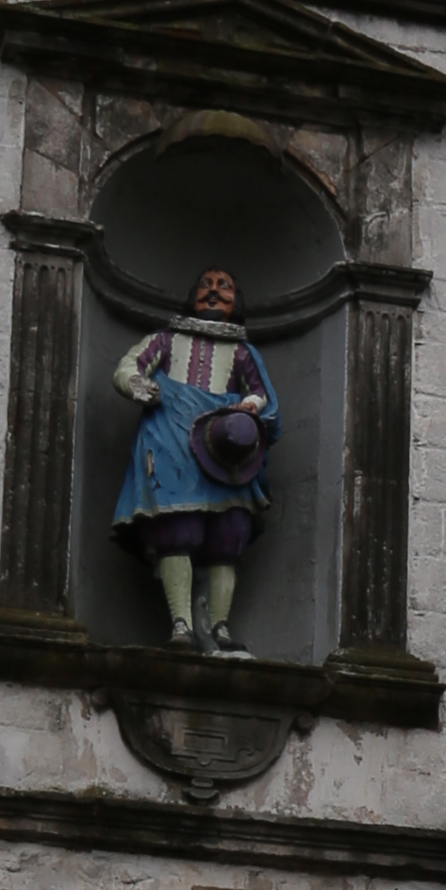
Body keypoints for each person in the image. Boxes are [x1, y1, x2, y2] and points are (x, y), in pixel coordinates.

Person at [113, 268, 278, 652]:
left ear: (236, 301)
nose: (215, 292)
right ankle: (181, 624)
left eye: (225, 286)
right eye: (207, 284)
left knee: (227, 536)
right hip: (171, 440)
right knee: (177, 530)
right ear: (192, 295)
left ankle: (219, 627)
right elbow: (128, 366)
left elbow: (261, 393)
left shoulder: (241, 351)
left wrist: (247, 407)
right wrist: (139, 385)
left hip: (224, 449)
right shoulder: (166, 340)